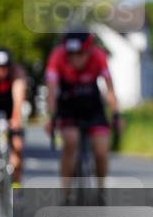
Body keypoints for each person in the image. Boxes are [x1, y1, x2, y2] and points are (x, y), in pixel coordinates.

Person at [44, 30, 121, 201]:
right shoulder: (57, 56)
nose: (75, 59)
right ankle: (65, 194)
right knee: (71, 142)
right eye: (70, 54)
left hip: (92, 105)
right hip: (68, 104)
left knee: (101, 149)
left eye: (80, 54)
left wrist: (116, 113)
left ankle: (101, 190)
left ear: (88, 50)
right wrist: (51, 117)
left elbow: (109, 90)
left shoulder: (98, 56)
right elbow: (51, 90)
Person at [0, 48, 28, 188]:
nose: (2, 70)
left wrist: (15, 116)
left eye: (5, 67)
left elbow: (18, 96)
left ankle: (16, 187)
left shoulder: (17, 73)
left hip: (10, 108)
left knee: (17, 146)